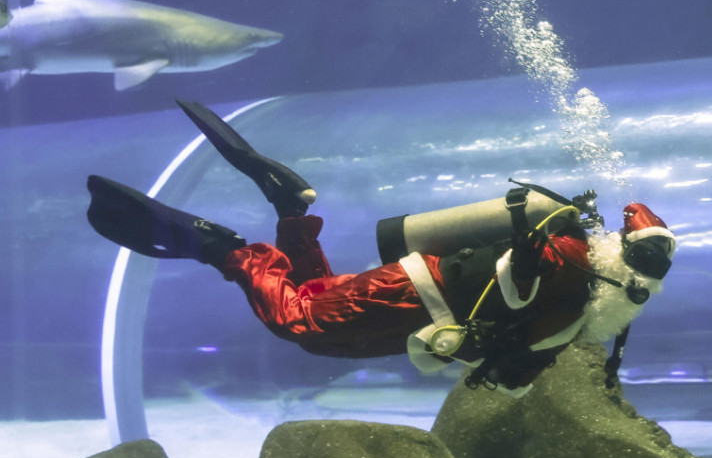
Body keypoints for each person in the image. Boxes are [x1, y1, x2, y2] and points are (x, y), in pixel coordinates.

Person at [86, 100, 676, 397]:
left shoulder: (584, 288)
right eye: (645, 283)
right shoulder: (573, 278)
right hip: (419, 294)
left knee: (323, 329)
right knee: (304, 323)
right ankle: (229, 251)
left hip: (423, 312)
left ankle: (294, 213)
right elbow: (518, 288)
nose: (642, 294)